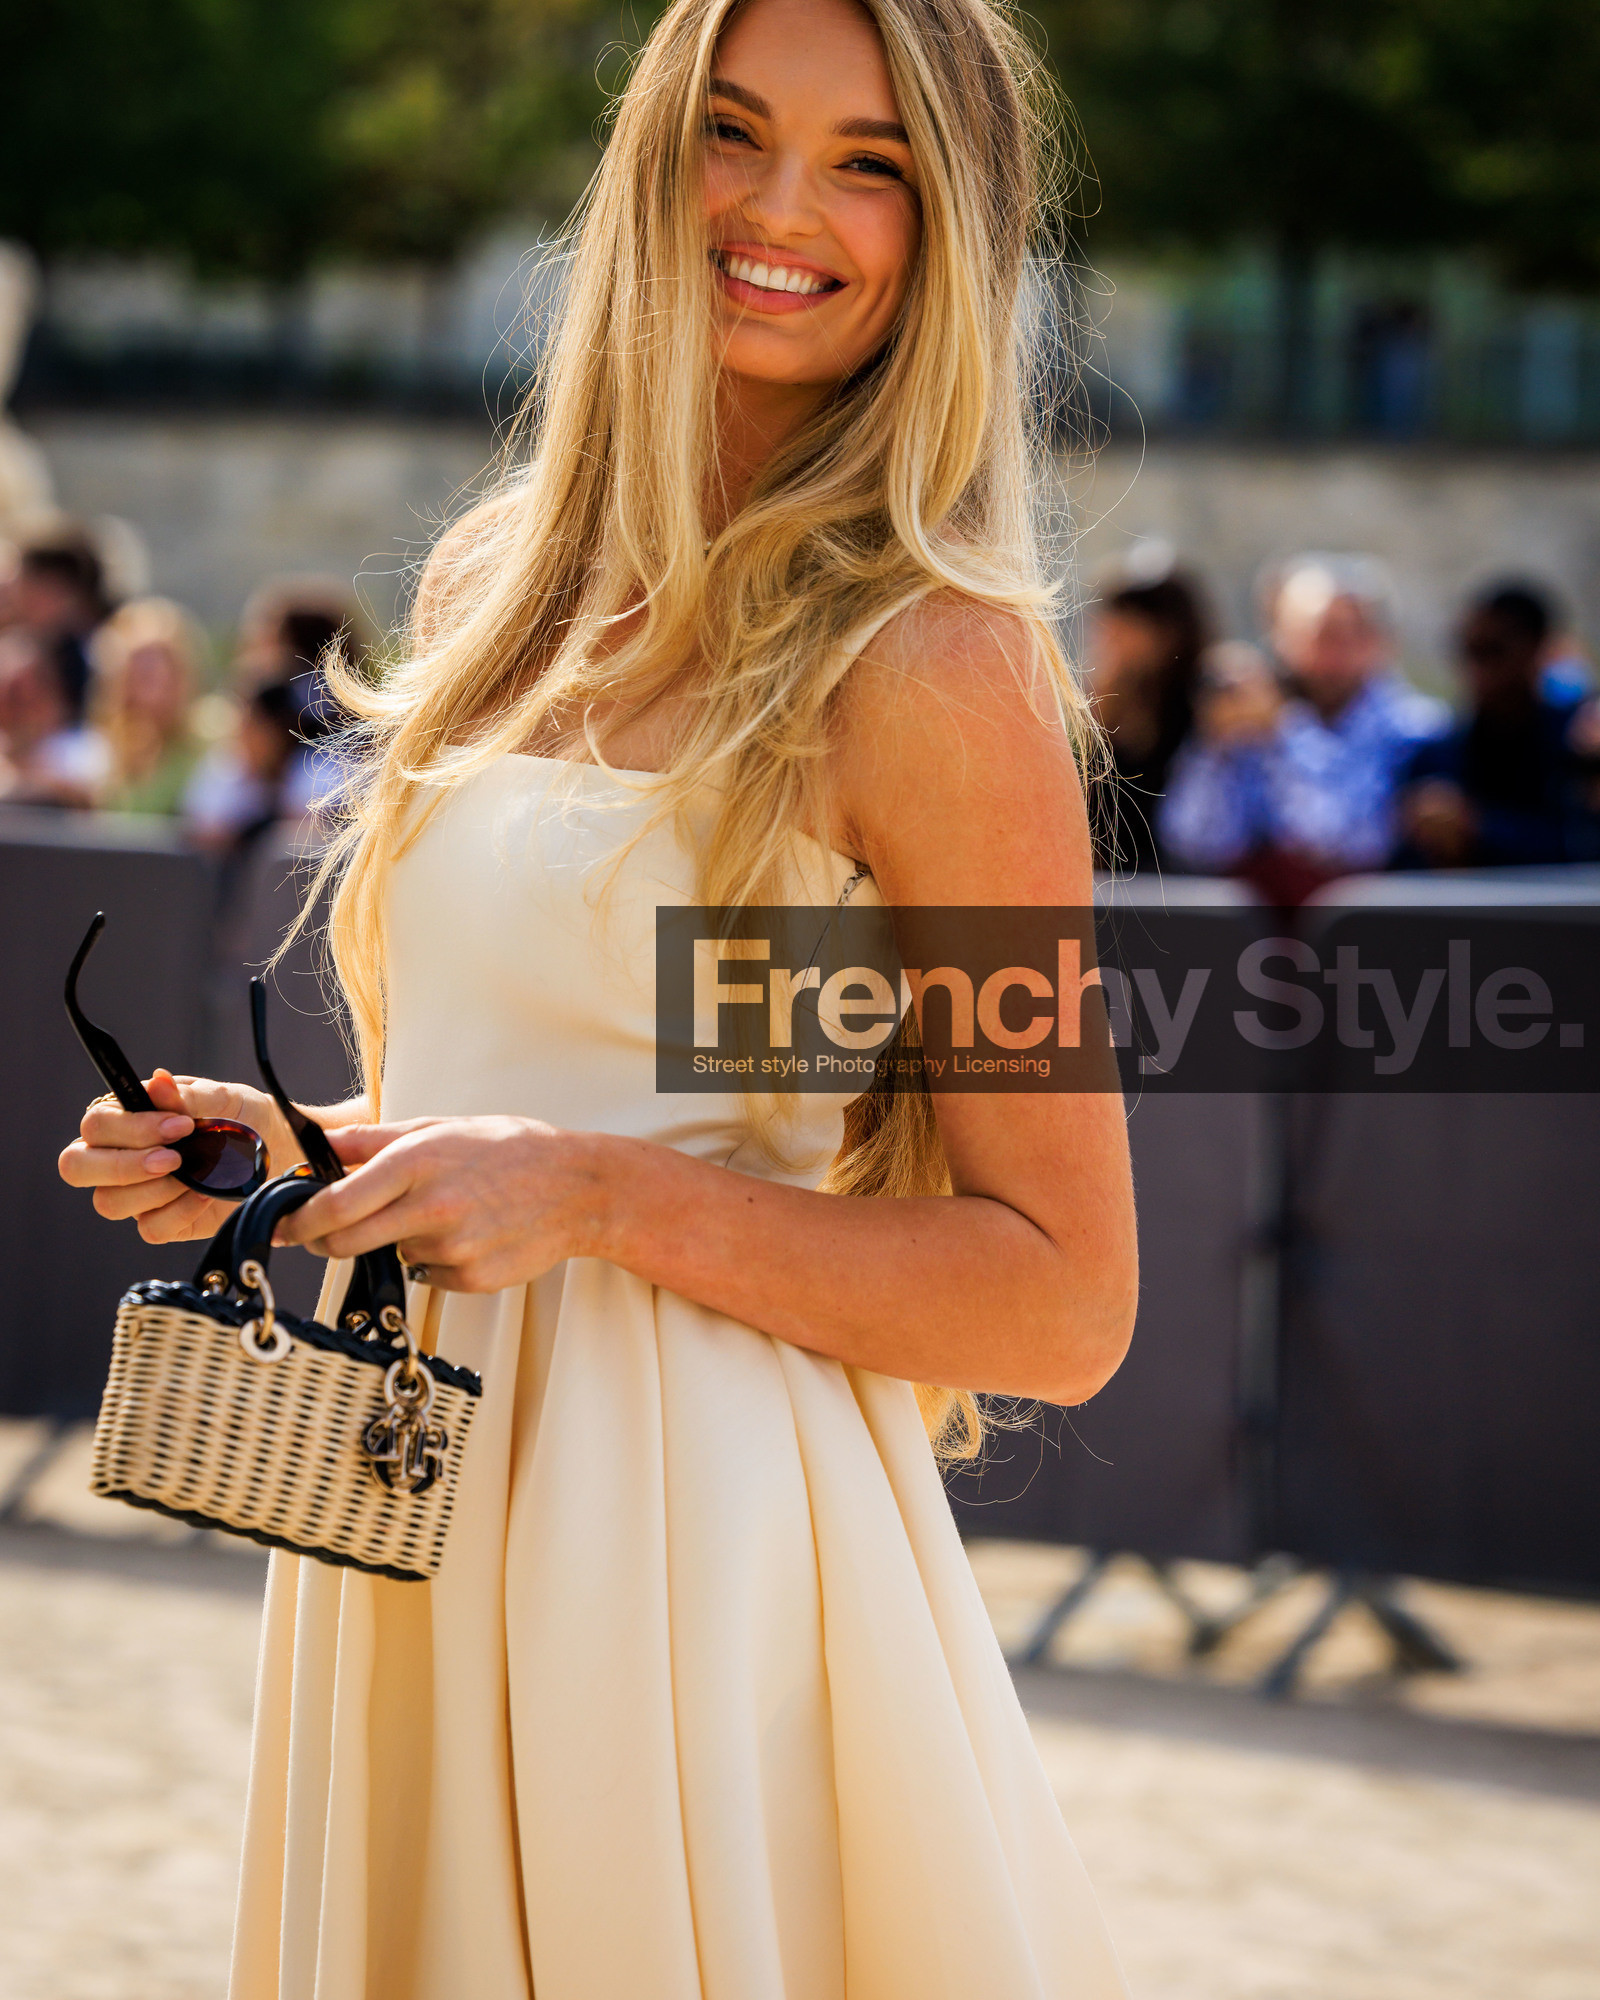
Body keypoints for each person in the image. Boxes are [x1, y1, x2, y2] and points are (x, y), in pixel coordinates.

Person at [57, 4, 1138, 1996]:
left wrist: (596, 1197)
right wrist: (313, 1159)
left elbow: (1061, 1293)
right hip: (411, 1501)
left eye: (869, 161)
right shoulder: (504, 585)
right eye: (730, 131)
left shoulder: (928, 663)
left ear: (953, 228)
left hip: (698, 1564)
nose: (780, 205)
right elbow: (628, 1081)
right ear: (651, 155)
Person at [1159, 553, 1448, 901]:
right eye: (1319, 635)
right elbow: (1189, 841)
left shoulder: (1420, 735)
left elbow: (1347, 846)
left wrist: (1281, 735)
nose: (1334, 653)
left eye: (1351, 633)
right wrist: (1216, 745)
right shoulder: (1249, 718)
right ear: (1279, 637)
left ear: (1381, 640)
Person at [1397, 583, 1600, 868]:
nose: (1479, 672)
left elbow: (1581, 849)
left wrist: (1478, 829)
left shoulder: (1580, 745)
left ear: (1539, 649)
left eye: (1494, 652)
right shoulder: (1439, 755)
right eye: (1469, 652)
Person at [1086, 546, 1209, 872]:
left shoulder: (1209, 699)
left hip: (1188, 886)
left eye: (1126, 622)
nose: (1108, 637)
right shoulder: (1102, 707)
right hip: (1118, 887)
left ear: (1168, 631)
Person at [91, 596, 207, 816]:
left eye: (155, 666)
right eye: (135, 668)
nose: (148, 681)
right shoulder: (106, 746)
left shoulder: (213, 738)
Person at [0, 623, 111, 805]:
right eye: (9, 695)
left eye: (21, 695)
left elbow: (95, 803)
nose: (18, 709)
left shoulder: (85, 751)